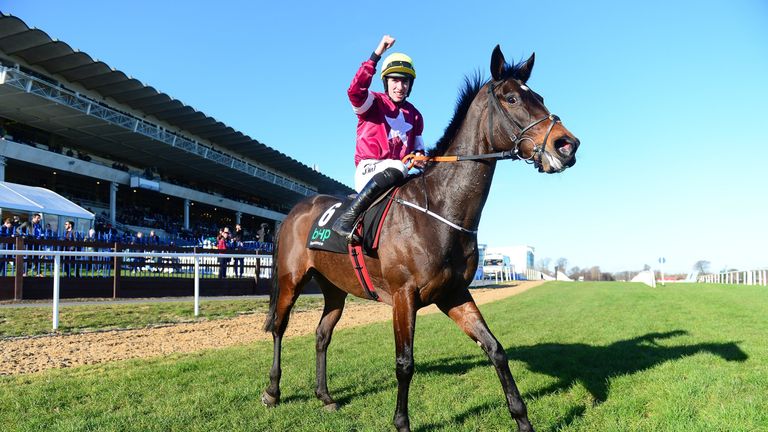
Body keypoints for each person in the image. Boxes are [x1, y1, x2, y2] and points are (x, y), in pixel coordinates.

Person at [332, 35, 426, 242]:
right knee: (398, 167)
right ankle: (346, 220)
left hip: (399, 174)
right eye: (395, 80)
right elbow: (355, 91)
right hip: (369, 168)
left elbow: (419, 149)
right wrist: (376, 55)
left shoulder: (416, 115)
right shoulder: (373, 102)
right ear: (386, 82)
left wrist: (420, 158)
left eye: (405, 81)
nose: (400, 87)